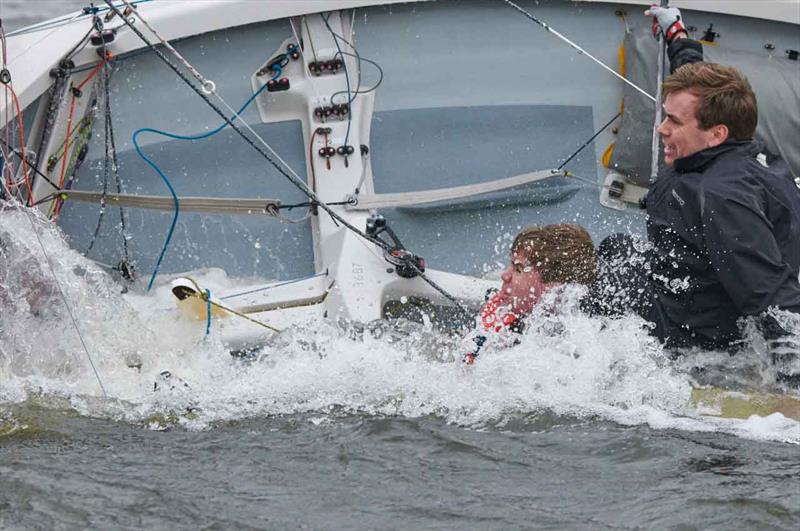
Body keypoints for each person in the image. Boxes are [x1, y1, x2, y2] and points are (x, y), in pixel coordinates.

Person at [586, 6, 800, 386]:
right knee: (618, 249)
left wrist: (793, 385)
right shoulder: (724, 145)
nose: (661, 129)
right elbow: (691, 87)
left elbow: (770, 296)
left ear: (716, 133)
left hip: (699, 343)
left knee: (607, 275)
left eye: (673, 122)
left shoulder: (724, 198)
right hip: (684, 281)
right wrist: (677, 39)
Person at [464, 223, 597, 364]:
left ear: (552, 287)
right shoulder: (512, 327)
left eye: (518, 269)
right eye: (511, 265)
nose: (505, 275)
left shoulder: (575, 348)